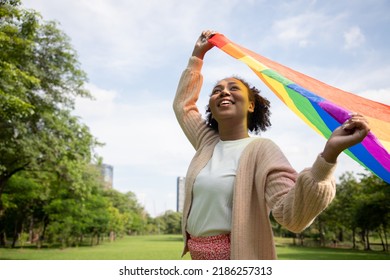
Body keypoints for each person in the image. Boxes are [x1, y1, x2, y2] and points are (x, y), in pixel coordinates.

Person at [173, 30, 370, 260]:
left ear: (251, 105)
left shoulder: (262, 150)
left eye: (234, 88)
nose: (224, 91)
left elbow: (290, 214)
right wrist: (197, 56)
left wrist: (329, 155)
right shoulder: (207, 143)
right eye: (217, 91)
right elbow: (183, 106)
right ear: (212, 109)